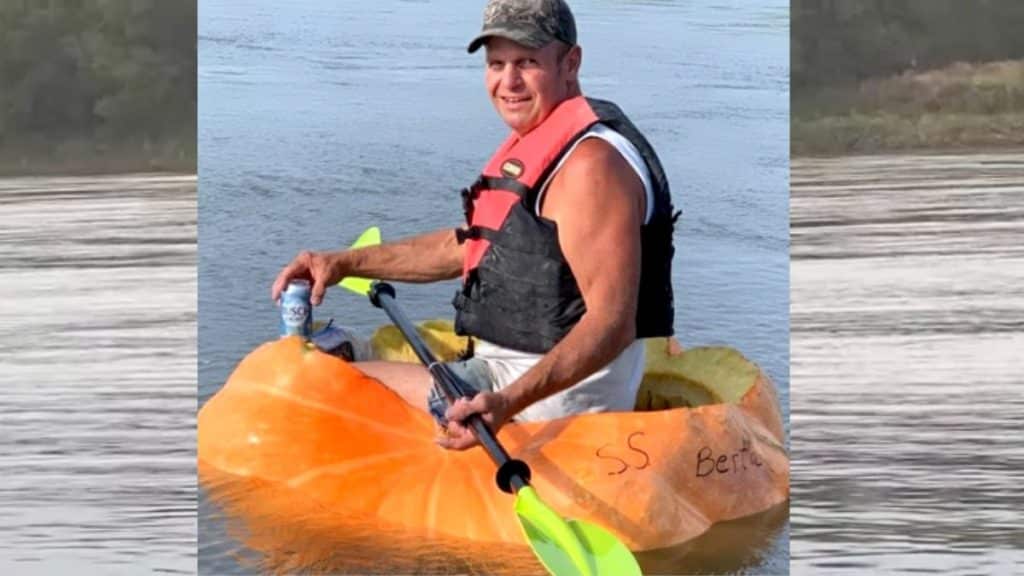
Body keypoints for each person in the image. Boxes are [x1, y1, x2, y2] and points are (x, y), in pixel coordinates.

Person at [271, 0, 677, 451]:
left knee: (312, 376)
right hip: (505, 375)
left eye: (527, 62)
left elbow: (612, 324)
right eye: (496, 64)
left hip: (543, 408)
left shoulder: (590, 168)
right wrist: (344, 263)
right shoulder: (550, 137)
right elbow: (473, 246)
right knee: (336, 349)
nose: (509, 82)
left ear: (570, 63)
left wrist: (507, 402)